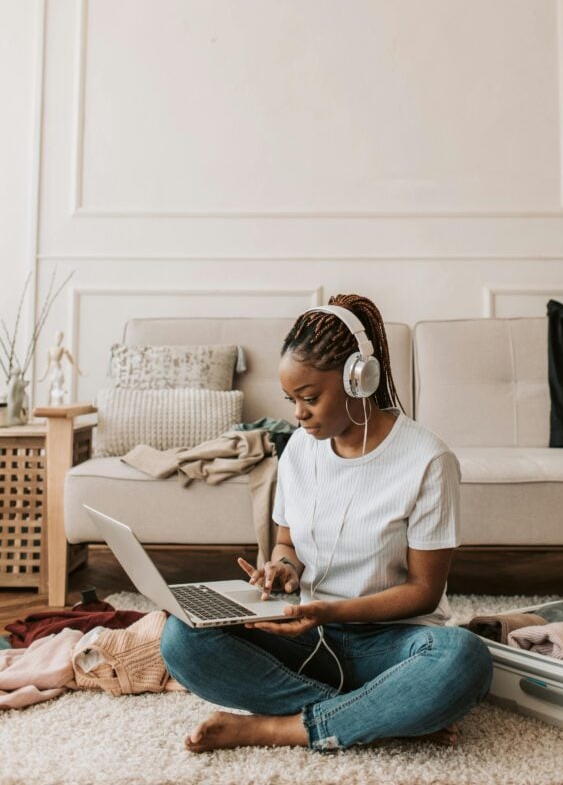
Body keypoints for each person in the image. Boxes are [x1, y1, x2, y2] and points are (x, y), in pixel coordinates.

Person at [160, 294, 493, 753]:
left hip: (392, 647)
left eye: (311, 398)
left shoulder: (427, 459)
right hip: (308, 636)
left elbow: (424, 591)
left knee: (462, 658)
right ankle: (380, 716)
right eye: (291, 399)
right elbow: (286, 544)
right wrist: (282, 569)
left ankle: (278, 728)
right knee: (181, 637)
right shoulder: (298, 448)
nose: (298, 414)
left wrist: (330, 611)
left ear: (360, 380)